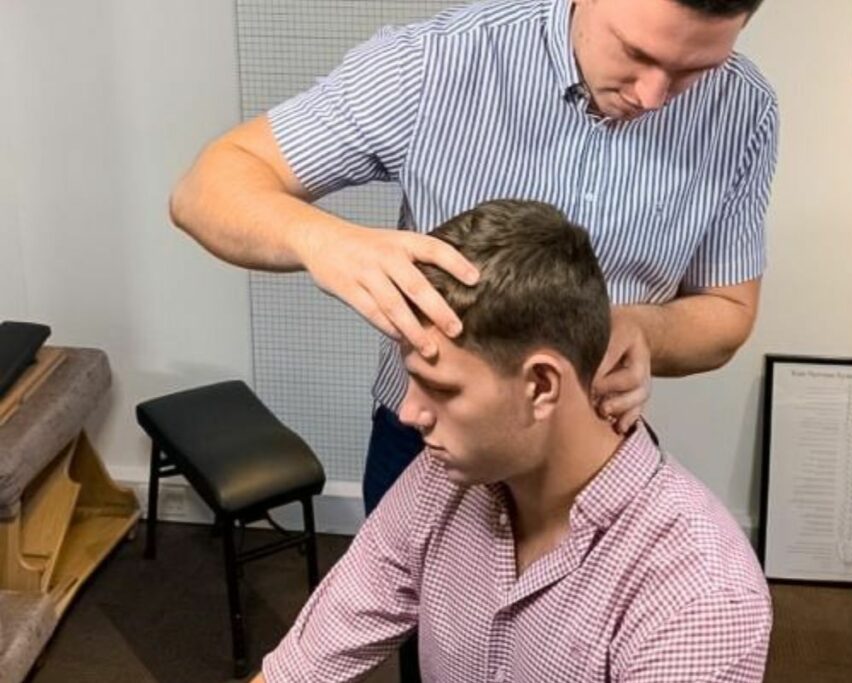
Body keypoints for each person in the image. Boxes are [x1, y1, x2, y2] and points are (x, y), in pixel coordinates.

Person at [169, 0, 779, 519]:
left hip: (591, 450)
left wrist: (642, 328)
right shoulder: (438, 62)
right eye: (635, 53)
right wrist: (324, 241)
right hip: (428, 439)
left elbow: (727, 311)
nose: (652, 96)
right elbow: (205, 190)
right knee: (419, 645)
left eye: (693, 71)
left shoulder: (745, 112)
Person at [251, 199, 772, 683]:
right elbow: (307, 659)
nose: (409, 413)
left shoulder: (701, 597)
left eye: (441, 388)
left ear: (542, 385)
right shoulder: (443, 479)